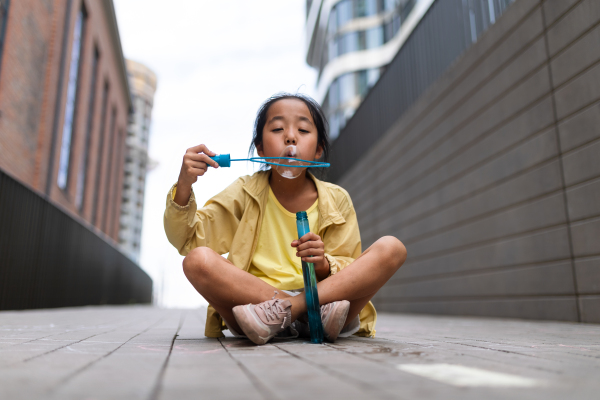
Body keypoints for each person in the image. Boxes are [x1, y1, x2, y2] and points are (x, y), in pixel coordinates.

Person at [164, 93, 407, 345]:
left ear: (318, 149)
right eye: (278, 128)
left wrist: (323, 264)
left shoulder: (338, 199)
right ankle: (295, 311)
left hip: (327, 308)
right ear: (260, 148)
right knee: (197, 261)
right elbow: (189, 240)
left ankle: (293, 308)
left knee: (392, 248)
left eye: (302, 129)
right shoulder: (242, 192)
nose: (290, 137)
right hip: (256, 308)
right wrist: (184, 185)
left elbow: (350, 270)